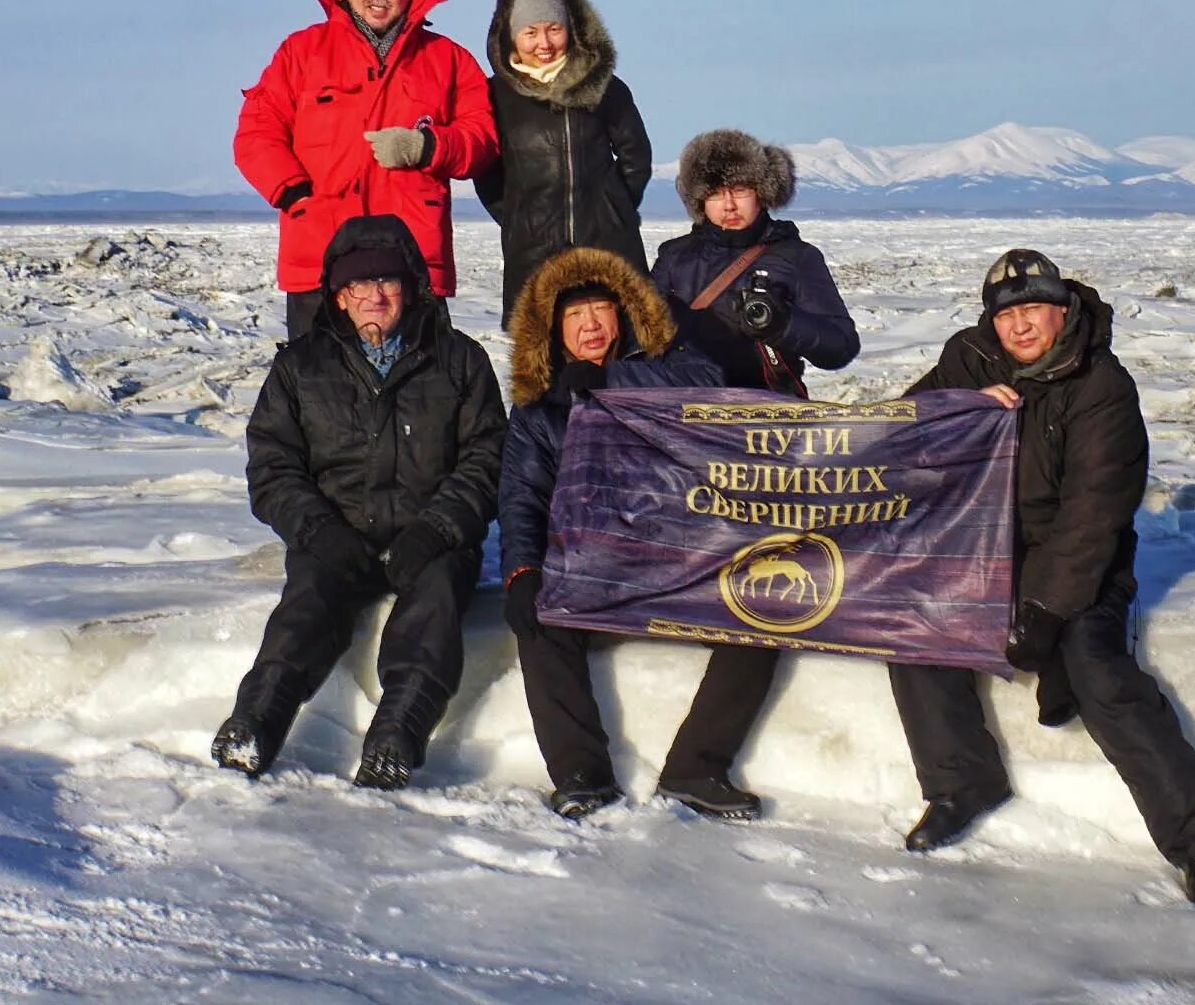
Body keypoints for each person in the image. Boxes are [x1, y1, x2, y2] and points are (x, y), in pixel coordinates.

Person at [890, 249, 1195, 904]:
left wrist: (1045, 609)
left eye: (1032, 310)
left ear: (1062, 310)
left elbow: (1095, 513)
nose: (1019, 326)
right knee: (917, 631)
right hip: (987, 552)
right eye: (1006, 314)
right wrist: (960, 407)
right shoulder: (968, 359)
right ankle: (962, 784)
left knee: (1100, 674)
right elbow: (901, 429)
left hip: (1082, 563)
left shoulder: (1101, 385)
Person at [212, 214, 506, 789]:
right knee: (307, 604)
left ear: (410, 287)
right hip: (336, 533)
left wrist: (438, 529)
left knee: (437, 598)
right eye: (359, 286)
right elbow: (272, 467)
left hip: (431, 535)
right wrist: (318, 531)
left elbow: (488, 457)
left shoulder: (460, 360)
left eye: (387, 282)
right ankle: (256, 724)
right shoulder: (300, 367)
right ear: (339, 296)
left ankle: (396, 736)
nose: (375, 295)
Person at [647, 128, 861, 820]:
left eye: (740, 190)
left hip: (772, 446)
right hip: (694, 444)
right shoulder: (675, 260)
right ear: (697, 201)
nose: (730, 205)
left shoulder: (798, 258)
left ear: (762, 191)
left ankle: (696, 763)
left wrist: (783, 326)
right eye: (715, 193)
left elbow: (840, 347)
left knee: (762, 595)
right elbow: (643, 345)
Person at [496, 246, 723, 817]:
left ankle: (697, 767)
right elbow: (521, 500)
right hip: (593, 564)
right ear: (553, 329)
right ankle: (581, 775)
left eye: (601, 309)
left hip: (683, 557)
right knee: (540, 626)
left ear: (625, 314)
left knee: (762, 623)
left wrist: (608, 378)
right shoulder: (537, 412)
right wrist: (521, 570)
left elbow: (710, 386)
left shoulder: (672, 369)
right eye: (575, 316)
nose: (591, 324)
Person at [234, 0, 499, 338]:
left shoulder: (449, 59)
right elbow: (257, 130)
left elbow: (482, 140)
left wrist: (426, 146)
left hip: (413, 262)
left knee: (420, 392)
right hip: (320, 257)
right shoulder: (302, 52)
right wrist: (292, 194)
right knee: (319, 391)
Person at [474, 0, 653, 322]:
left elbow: (636, 155)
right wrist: (519, 218)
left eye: (554, 29)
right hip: (533, 253)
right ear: (512, 36)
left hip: (609, 248)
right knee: (544, 360)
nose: (544, 44)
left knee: (622, 353)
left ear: (570, 29)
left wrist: (612, 207)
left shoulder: (602, 85)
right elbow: (486, 170)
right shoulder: (494, 97)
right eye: (531, 32)